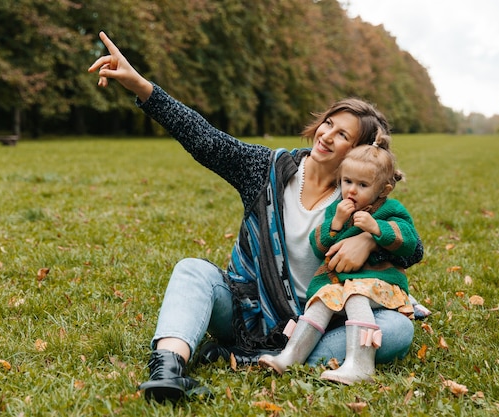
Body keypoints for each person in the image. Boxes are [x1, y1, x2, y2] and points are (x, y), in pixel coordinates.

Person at [88, 31, 426, 403]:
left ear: (358, 152)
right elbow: (207, 141)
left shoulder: (361, 197)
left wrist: (367, 237)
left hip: (318, 320)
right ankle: (168, 370)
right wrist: (140, 85)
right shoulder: (267, 169)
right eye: (329, 123)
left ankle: (273, 356)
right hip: (248, 310)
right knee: (192, 270)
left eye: (342, 134)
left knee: (396, 328)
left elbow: (412, 248)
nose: (327, 135)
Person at [258, 131, 423, 384]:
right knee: (321, 299)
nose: (352, 191)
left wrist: (377, 230)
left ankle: (360, 364)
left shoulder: (391, 209)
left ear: (383, 189)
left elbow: (409, 241)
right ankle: (290, 355)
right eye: (347, 182)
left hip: (382, 285)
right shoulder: (338, 210)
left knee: (357, 295)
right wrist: (335, 224)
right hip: (339, 285)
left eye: (363, 185)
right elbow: (318, 247)